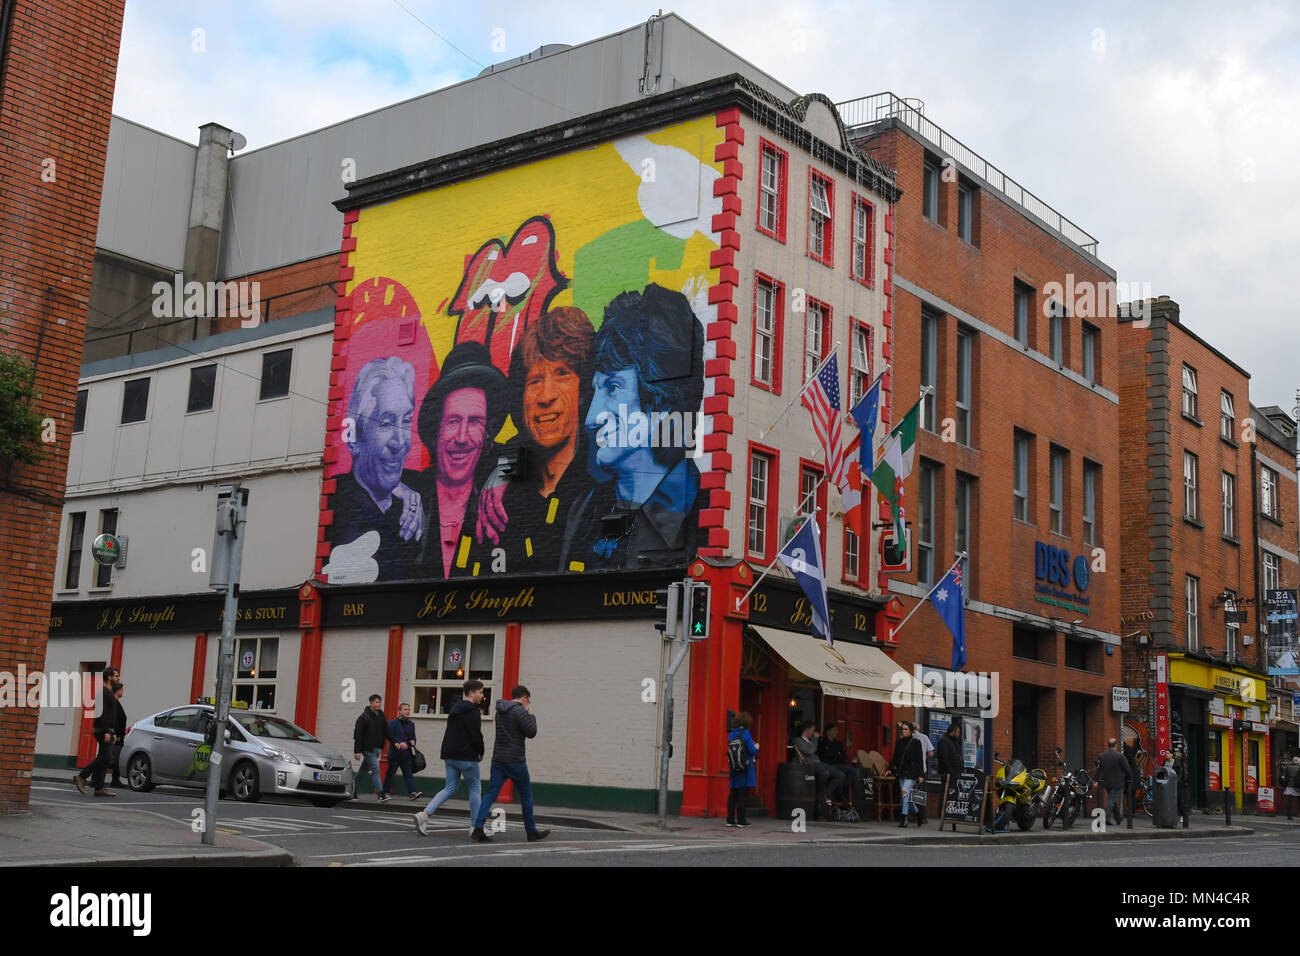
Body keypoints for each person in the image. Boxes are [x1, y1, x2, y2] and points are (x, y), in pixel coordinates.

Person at [560, 284, 705, 572]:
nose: (592, 417)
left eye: (613, 387)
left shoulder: (703, 516)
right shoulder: (583, 510)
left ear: (662, 402)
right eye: (595, 391)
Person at [474, 308, 595, 573]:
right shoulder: (494, 486)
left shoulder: (605, 485)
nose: (545, 396)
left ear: (584, 388)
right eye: (534, 380)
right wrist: (501, 471)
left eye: (562, 373)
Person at [326, 356, 426, 582]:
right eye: (386, 423)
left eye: (407, 419)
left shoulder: (418, 491)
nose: (400, 441)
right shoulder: (341, 508)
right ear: (353, 439)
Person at [416, 342, 508, 579]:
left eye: (475, 421)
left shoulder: (500, 489)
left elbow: (535, 453)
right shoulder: (410, 493)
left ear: (488, 430)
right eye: (453, 421)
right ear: (437, 428)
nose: (462, 437)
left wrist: (503, 474)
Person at [470, 685, 550, 843]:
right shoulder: (520, 711)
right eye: (528, 700)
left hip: (498, 759)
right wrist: (531, 715)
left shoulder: (500, 710)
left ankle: (478, 828)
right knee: (526, 795)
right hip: (515, 760)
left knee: (491, 794)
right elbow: (532, 732)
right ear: (524, 698)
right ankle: (531, 832)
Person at [414, 680, 486, 835]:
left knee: (449, 788)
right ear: (471, 693)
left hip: (450, 754)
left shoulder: (455, 708)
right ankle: (475, 826)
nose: (482, 695)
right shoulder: (473, 711)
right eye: (480, 692)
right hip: (467, 756)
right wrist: (481, 751)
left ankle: (424, 815)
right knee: (475, 788)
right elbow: (475, 734)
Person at [74, 666, 119, 797]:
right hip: (102, 730)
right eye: (116, 676)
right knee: (106, 757)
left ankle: (99, 787)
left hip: (108, 730)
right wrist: (106, 731)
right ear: (109, 677)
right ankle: (81, 776)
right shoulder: (103, 692)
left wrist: (113, 732)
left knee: (104, 758)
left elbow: (111, 714)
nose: (118, 678)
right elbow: (101, 714)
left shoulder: (109, 692)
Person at [791, 721, 844, 820]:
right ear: (807, 730)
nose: (814, 733)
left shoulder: (811, 741)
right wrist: (815, 739)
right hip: (810, 765)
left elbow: (813, 750)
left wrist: (815, 740)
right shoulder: (797, 740)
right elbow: (810, 751)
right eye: (812, 730)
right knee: (824, 773)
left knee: (840, 775)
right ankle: (821, 796)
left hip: (819, 763)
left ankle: (824, 793)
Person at [353, 694, 392, 802]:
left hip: (377, 749)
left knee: (363, 771)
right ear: (371, 703)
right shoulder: (364, 717)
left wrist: (395, 742)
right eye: (376, 702)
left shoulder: (381, 715)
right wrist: (357, 751)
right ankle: (380, 794)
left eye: (379, 702)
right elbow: (358, 735)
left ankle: (351, 789)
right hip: (367, 749)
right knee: (376, 770)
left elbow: (386, 731)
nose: (378, 704)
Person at [888, 721, 925, 827]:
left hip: (912, 772)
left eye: (906, 729)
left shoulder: (916, 742)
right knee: (906, 796)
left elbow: (920, 760)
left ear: (911, 731)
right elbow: (895, 757)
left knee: (904, 792)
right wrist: (890, 768)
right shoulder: (899, 742)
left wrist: (921, 775)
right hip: (902, 772)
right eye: (902, 729)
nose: (904, 731)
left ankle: (904, 818)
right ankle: (918, 815)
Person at [816, 724, 862, 807]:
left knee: (856, 772)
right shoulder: (822, 742)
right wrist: (836, 755)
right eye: (834, 730)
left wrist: (834, 755)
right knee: (841, 773)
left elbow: (843, 756)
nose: (836, 732)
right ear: (828, 731)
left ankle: (837, 789)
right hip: (829, 765)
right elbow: (824, 756)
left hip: (841, 765)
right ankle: (839, 794)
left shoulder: (838, 743)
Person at [726, 712, 759, 827]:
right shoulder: (746, 733)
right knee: (743, 794)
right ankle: (741, 820)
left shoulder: (731, 734)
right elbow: (752, 750)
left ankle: (730, 820)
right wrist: (756, 747)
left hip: (734, 767)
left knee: (733, 793)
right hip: (745, 767)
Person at [383, 702, 421, 800]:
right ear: (399, 711)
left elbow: (413, 737)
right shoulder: (393, 723)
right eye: (405, 709)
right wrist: (398, 742)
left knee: (408, 774)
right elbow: (389, 735)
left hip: (406, 754)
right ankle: (386, 792)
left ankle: (412, 793)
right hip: (395, 753)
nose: (407, 711)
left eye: (408, 709)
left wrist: (413, 742)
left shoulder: (411, 724)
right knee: (390, 774)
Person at [1097, 738, 1133, 828]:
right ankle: (1105, 818)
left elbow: (1099, 769)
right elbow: (1127, 769)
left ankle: (1118, 818)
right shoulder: (1119, 756)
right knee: (1111, 800)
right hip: (1117, 782)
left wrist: (1096, 780)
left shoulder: (1102, 756)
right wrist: (1130, 778)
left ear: (1108, 745)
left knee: (1112, 799)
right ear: (1116, 745)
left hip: (1106, 781)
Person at [908, 721, 934, 824]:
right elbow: (931, 753)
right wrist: (924, 758)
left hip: (910, 770)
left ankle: (911, 816)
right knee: (921, 793)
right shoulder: (924, 737)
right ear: (918, 729)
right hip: (922, 769)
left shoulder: (908, 738)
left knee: (910, 792)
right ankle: (922, 817)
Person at [109, 681, 126, 788]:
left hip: (118, 735)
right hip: (116, 737)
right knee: (112, 759)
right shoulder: (114, 703)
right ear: (118, 690)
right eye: (122, 690)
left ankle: (115, 780)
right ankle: (115, 780)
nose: (123, 692)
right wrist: (116, 734)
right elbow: (114, 720)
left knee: (113, 759)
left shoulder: (115, 703)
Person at [1282, 750, 1300, 820]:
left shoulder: (1288, 767)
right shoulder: (1299, 767)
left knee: (1289, 801)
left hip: (1290, 785)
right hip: (1298, 785)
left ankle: (1289, 815)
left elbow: (1286, 776)